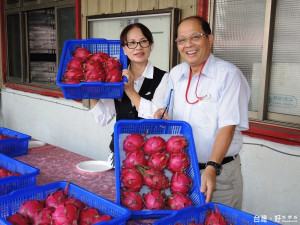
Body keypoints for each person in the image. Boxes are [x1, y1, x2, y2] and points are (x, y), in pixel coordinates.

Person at [154, 16, 251, 209]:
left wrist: (212, 167)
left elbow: (228, 126)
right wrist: (160, 114)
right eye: (181, 40)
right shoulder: (175, 74)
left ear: (210, 39)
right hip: (181, 172)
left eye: (195, 37)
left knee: (220, 221)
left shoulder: (228, 75)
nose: (188, 45)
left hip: (219, 174)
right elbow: (168, 113)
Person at [90, 23, 168, 165]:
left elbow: (158, 119)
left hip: (152, 158)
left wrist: (130, 91)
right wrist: (91, 91)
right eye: (131, 43)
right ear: (124, 49)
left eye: (143, 41)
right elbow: (104, 119)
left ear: (150, 45)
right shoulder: (115, 77)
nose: (138, 47)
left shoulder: (163, 78)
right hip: (120, 152)